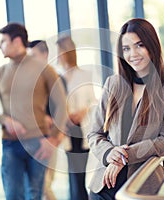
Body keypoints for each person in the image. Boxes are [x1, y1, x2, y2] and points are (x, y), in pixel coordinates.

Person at [87, 18, 164, 199]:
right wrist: (110, 153)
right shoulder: (114, 83)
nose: (133, 53)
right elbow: (94, 133)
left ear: (152, 46)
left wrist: (125, 156)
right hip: (103, 186)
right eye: (126, 48)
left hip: (142, 187)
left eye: (139, 45)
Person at [0, 23, 67, 200]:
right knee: (13, 195)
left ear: (17, 41)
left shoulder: (44, 69)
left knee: (35, 195)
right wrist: (5, 120)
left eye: (3, 41)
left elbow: (62, 105)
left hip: (39, 144)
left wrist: (54, 139)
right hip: (11, 146)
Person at [56, 35, 96, 200]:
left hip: (81, 128)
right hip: (65, 129)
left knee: (79, 175)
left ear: (68, 52)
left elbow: (93, 101)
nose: (58, 55)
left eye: (60, 51)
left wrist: (83, 111)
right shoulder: (56, 77)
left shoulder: (85, 74)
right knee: (73, 174)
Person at [28, 40, 66, 200]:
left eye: (33, 56)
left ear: (45, 55)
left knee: (44, 185)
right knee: (36, 187)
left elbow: (62, 110)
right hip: (32, 138)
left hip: (49, 137)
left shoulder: (57, 79)